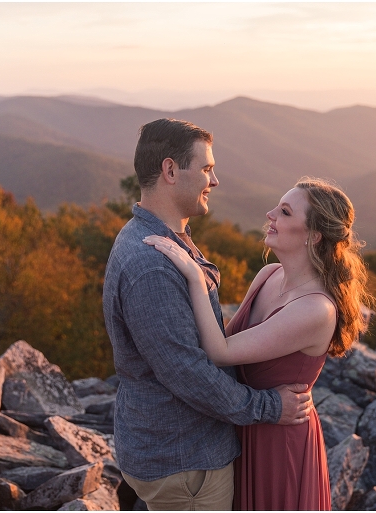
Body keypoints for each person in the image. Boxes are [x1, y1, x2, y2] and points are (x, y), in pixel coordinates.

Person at [103, 118, 314, 511]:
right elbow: (189, 374)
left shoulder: (164, 237)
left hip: (176, 448)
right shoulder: (151, 264)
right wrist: (271, 407)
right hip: (186, 459)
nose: (214, 180)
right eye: (205, 168)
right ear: (170, 171)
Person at [144, 177, 373, 510]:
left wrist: (194, 275)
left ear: (312, 235)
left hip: (279, 442)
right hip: (245, 424)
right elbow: (225, 344)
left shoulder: (316, 309)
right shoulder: (268, 274)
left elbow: (219, 351)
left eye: (284, 212)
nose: (270, 214)